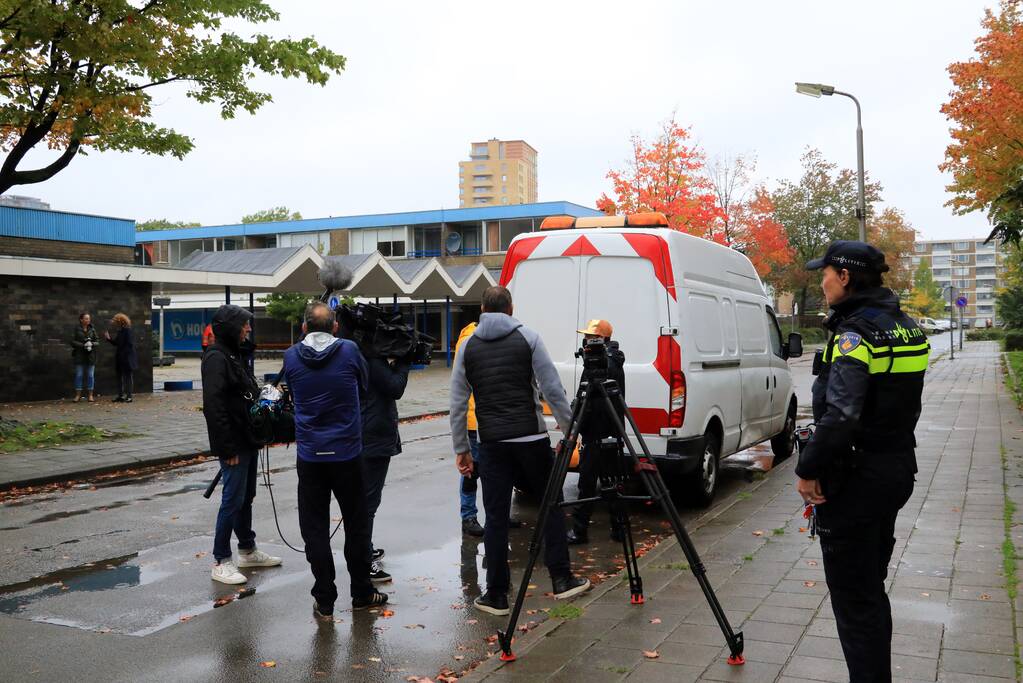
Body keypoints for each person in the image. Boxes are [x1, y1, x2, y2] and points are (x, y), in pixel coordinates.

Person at [797, 240, 929, 682]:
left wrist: (808, 469)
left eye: (826, 273)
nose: (823, 280)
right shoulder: (906, 326)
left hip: (856, 480)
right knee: (870, 592)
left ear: (846, 276)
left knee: (855, 603)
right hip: (894, 470)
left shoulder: (855, 334)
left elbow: (842, 413)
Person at [450, 285, 591, 616]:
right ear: (511, 309)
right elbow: (552, 389)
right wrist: (571, 429)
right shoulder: (529, 338)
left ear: (482, 311)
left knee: (496, 517)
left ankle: (496, 594)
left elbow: (457, 403)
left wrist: (462, 449)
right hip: (530, 440)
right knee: (550, 505)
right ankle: (561, 579)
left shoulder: (467, 346)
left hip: (492, 444)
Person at [283, 302, 387, 618]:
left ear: (303, 328)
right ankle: (361, 593)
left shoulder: (291, 356)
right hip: (347, 454)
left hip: (310, 456)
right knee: (356, 526)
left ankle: (325, 598)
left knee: (314, 529)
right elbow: (365, 386)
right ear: (336, 327)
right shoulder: (350, 351)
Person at [202, 304, 283, 585]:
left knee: (246, 497)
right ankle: (221, 559)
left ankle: (247, 549)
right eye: (244, 324)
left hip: (247, 440)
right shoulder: (216, 358)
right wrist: (226, 448)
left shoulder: (234, 355)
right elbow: (214, 407)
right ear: (230, 328)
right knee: (232, 500)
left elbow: (243, 395)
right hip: (234, 444)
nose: (249, 328)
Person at [567, 319, 626, 546]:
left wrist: (579, 421)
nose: (585, 343)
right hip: (607, 430)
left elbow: (594, 397)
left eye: (590, 338)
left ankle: (580, 531)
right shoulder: (606, 361)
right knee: (610, 482)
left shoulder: (609, 363)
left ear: (601, 340)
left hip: (599, 430)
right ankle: (618, 528)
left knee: (588, 484)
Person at [358, 338, 410, 584]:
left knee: (364, 502)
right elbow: (395, 387)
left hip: (364, 435)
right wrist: (403, 363)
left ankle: (364, 549)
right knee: (368, 503)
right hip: (373, 438)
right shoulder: (371, 359)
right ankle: (363, 561)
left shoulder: (356, 354)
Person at [454, 321, 484, 537]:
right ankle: (468, 516)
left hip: (488, 418)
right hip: (474, 419)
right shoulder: (470, 341)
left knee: (495, 471)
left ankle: (495, 513)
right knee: (471, 472)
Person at [104, 313, 137, 403]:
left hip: (126, 358)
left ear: (120, 321)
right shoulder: (121, 331)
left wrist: (124, 354)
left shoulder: (127, 331)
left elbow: (129, 344)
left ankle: (129, 396)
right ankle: (121, 395)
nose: (114, 322)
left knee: (128, 377)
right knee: (119, 376)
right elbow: (117, 343)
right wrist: (109, 339)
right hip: (120, 357)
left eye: (115, 321)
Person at [70, 312, 99, 403]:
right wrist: (83, 345)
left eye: (89, 318)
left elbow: (97, 341)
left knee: (90, 376)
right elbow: (72, 341)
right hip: (79, 355)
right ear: (81, 320)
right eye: (86, 318)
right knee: (79, 375)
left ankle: (90, 395)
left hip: (91, 356)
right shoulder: (76, 329)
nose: (88, 320)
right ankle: (78, 395)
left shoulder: (92, 329)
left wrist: (92, 343)